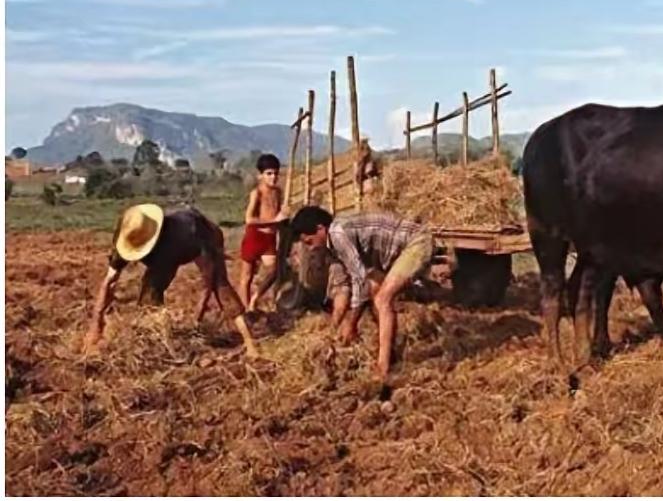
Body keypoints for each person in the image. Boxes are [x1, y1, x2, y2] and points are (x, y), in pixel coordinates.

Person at [83, 203, 259, 358]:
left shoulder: (182, 238)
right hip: (175, 236)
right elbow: (109, 282)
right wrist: (95, 325)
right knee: (149, 296)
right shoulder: (126, 237)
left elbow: (217, 283)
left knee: (219, 286)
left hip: (197, 237)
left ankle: (250, 344)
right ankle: (154, 343)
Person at [291, 206, 435, 387]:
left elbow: (359, 280)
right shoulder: (332, 245)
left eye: (309, 242)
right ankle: (390, 353)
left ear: (321, 229)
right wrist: (333, 329)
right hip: (396, 254)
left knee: (383, 299)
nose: (310, 248)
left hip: (416, 242)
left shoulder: (338, 233)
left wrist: (351, 323)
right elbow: (344, 287)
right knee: (374, 288)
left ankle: (382, 368)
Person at [239, 153, 287, 311]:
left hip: (270, 238)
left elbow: (279, 215)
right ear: (260, 175)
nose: (273, 177)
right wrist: (274, 221)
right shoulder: (257, 193)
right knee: (247, 276)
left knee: (275, 270)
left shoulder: (278, 192)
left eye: (275, 173)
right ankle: (246, 311)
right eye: (269, 174)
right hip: (255, 236)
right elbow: (249, 219)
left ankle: (255, 298)